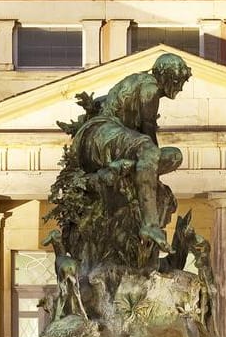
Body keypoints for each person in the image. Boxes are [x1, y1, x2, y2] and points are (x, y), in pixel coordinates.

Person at [69, 53, 191, 248]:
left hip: (109, 142)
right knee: (149, 150)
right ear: (165, 76)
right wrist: (151, 166)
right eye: (177, 81)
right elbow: (148, 132)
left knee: (174, 156)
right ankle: (150, 224)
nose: (180, 87)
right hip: (99, 134)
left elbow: (103, 100)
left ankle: (121, 169)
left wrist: (148, 169)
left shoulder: (138, 82)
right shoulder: (150, 87)